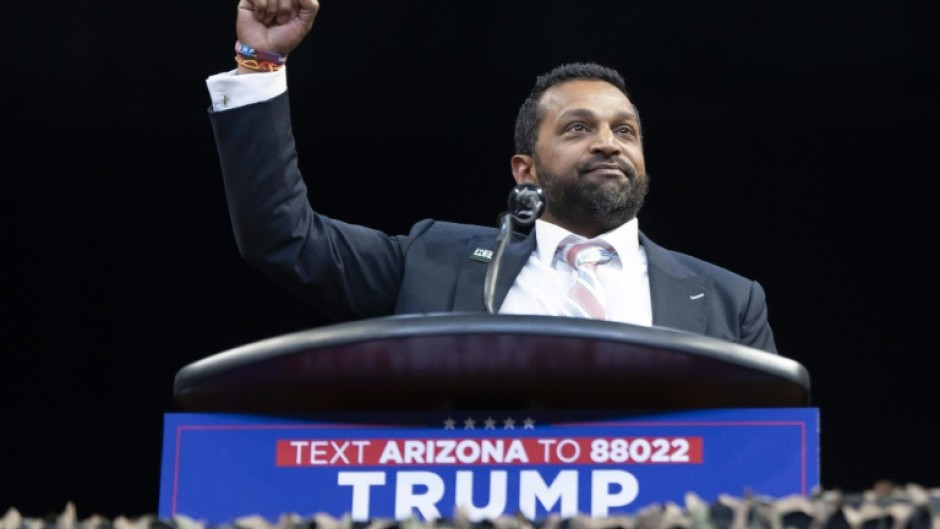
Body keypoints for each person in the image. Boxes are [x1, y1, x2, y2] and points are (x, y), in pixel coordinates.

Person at [206, 0, 778, 353]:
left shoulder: (728, 301)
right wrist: (261, 65)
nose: (608, 142)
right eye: (578, 128)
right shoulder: (431, 263)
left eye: (625, 131)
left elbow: (768, 450)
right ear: (524, 170)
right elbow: (282, 235)